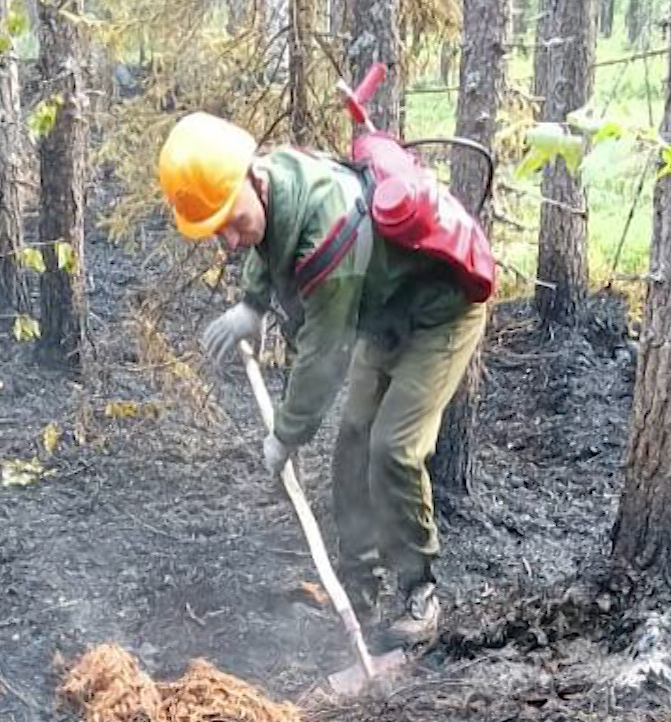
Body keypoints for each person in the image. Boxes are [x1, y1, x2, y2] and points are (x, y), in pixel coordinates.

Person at [156, 112, 488, 649]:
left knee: (393, 449)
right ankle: (360, 588)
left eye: (230, 220)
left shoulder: (328, 238)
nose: (230, 241)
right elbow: (271, 240)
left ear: (252, 177)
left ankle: (419, 592)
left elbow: (323, 356)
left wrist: (285, 434)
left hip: (440, 314)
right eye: (217, 230)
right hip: (385, 311)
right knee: (352, 444)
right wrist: (253, 304)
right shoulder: (280, 175)